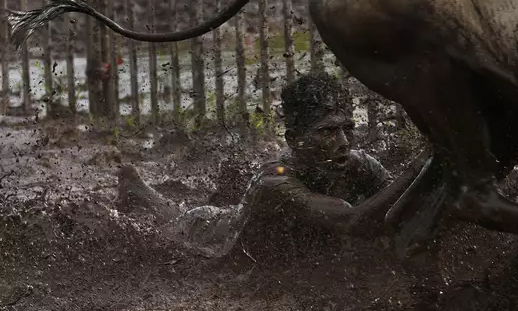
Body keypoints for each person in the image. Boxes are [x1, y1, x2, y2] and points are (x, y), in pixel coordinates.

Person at [116, 72, 430, 260]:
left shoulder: (359, 164)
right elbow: (352, 221)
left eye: (348, 128)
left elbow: (405, 208)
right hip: (214, 233)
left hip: (244, 222)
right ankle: (138, 188)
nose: (344, 141)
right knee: (176, 224)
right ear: (294, 139)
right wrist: (422, 163)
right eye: (328, 131)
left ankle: (138, 187)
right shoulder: (275, 181)